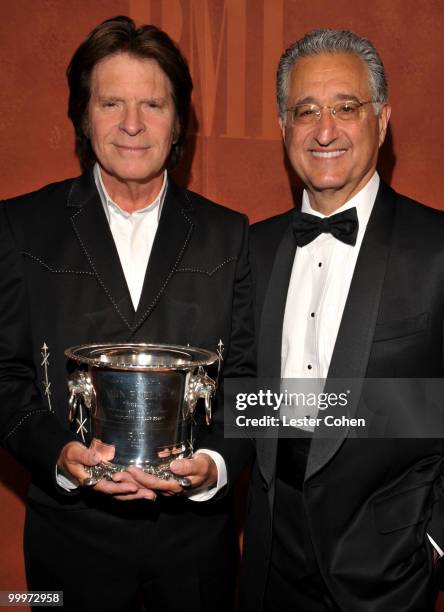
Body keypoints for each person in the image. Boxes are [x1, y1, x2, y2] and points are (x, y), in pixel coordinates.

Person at [0, 16, 254, 612]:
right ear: (83, 117)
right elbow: (5, 376)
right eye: (111, 102)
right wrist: (58, 454)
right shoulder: (20, 228)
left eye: (153, 104)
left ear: (178, 121)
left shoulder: (230, 235)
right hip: (67, 544)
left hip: (197, 552)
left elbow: (250, 377)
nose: (133, 124)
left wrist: (214, 464)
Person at [240, 29, 444, 611]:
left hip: (388, 570)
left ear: (383, 120)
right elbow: (239, 391)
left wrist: (436, 542)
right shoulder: (253, 249)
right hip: (270, 561)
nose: (325, 130)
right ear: (283, 126)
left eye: (346, 108)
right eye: (306, 111)